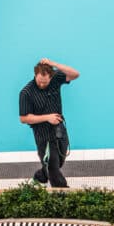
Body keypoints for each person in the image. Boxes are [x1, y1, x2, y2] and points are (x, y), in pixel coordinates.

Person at [19, 57, 80, 188]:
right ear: (35, 75)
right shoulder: (26, 93)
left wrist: (54, 64)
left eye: (45, 82)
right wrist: (47, 117)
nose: (41, 85)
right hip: (43, 136)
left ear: (51, 77)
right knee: (53, 167)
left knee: (59, 162)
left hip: (59, 130)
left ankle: (40, 176)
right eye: (39, 81)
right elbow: (24, 118)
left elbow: (75, 74)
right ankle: (63, 194)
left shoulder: (55, 79)